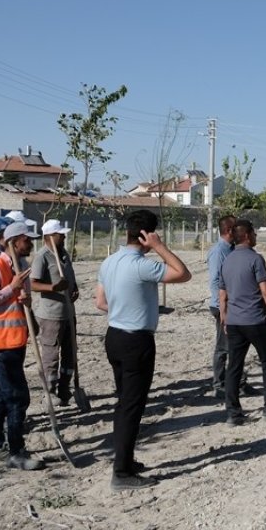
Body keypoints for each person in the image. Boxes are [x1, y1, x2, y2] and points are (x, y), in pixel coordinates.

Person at [96, 209, 191, 489]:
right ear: (147, 235)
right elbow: (183, 274)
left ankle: (126, 459)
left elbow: (100, 302)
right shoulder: (141, 265)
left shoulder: (109, 262)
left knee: (124, 403)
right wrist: (160, 247)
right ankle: (122, 473)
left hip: (114, 335)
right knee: (131, 407)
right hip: (136, 341)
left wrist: (129, 305)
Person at [0, 221, 45, 471]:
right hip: (0, 342)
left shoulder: (23, 266)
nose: (31, 243)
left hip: (16, 339)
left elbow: (17, 301)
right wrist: (12, 288)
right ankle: (16, 452)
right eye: (27, 240)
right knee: (17, 397)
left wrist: (27, 307)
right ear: (15, 241)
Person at [218, 220, 266, 424]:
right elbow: (265, 290)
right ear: (248, 236)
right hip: (255, 321)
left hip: (234, 322)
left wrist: (224, 318)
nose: (256, 237)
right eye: (255, 233)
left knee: (234, 366)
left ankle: (233, 412)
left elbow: (222, 293)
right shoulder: (255, 259)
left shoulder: (228, 260)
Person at [30, 219, 80, 406]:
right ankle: (49, 392)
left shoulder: (64, 254)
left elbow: (70, 280)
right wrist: (53, 287)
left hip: (68, 312)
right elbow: (33, 284)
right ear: (49, 236)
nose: (64, 236)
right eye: (60, 234)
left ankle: (64, 388)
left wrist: (74, 289)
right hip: (51, 315)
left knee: (70, 353)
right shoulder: (42, 256)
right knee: (51, 354)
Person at [206, 215, 256, 398]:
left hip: (236, 305)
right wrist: (223, 308)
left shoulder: (232, 250)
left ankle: (240, 383)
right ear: (229, 231)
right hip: (222, 306)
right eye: (236, 228)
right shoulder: (219, 252)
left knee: (237, 346)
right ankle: (219, 384)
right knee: (223, 347)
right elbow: (215, 282)